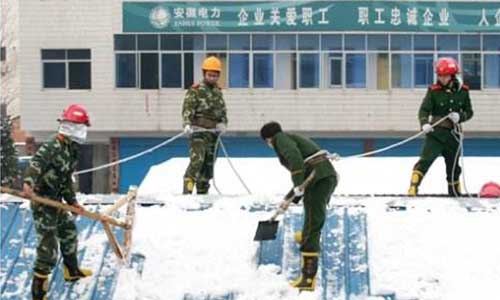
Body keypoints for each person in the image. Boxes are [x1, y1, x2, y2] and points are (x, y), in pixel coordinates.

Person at [23, 104, 93, 300]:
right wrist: (28, 183)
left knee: (69, 231)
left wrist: (73, 202)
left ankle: (71, 271)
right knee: (48, 248)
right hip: (42, 201)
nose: (83, 131)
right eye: (81, 126)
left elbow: (65, 180)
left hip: (56, 200)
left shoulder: (71, 149)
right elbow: (36, 163)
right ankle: (38, 293)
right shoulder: (53, 144)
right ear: (71, 126)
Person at [260, 121, 338, 291]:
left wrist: (296, 183)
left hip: (318, 178)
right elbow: (305, 171)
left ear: (268, 139)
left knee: (313, 221)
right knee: (312, 216)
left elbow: (295, 159)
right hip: (322, 176)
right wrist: (288, 198)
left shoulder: (280, 139)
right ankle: (305, 236)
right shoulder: (290, 137)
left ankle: (308, 279)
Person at [408, 57, 474, 197]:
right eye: (440, 76)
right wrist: (424, 123)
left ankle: (455, 193)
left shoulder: (463, 91)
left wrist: (460, 117)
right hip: (435, 134)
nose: (442, 79)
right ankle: (413, 188)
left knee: (454, 167)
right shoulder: (434, 91)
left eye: (445, 76)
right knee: (425, 161)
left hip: (453, 135)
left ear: (452, 75)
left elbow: (469, 112)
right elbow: (424, 110)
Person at [182, 56, 228, 195]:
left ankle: (203, 193)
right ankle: (187, 191)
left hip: (213, 134)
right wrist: (187, 124)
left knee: (208, 165)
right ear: (204, 74)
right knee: (198, 161)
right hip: (198, 132)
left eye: (215, 75)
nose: (212, 78)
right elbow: (188, 108)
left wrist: (223, 123)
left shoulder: (218, 92)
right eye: (210, 75)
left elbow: (223, 111)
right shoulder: (195, 90)